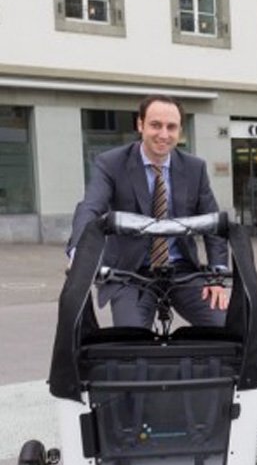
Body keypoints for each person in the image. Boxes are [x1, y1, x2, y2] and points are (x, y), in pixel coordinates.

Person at [67, 94, 228, 329]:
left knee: (227, 327)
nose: (163, 134)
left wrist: (217, 278)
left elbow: (214, 225)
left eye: (171, 127)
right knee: (132, 339)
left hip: (181, 269)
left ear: (180, 130)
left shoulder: (195, 168)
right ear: (140, 125)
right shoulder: (110, 163)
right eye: (155, 125)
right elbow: (90, 207)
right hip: (130, 272)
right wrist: (79, 254)